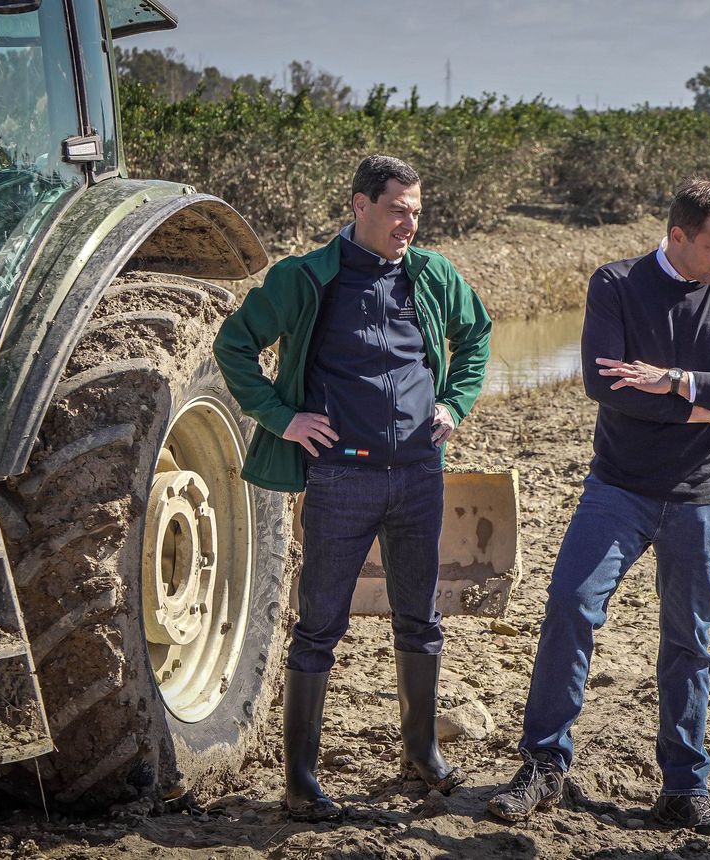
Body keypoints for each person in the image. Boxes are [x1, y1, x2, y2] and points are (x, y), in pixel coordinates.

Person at [486, 179, 710, 837]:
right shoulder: (616, 283)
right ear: (677, 236)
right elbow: (606, 383)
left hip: (704, 496)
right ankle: (544, 766)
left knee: (689, 641)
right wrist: (707, 408)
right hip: (618, 488)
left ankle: (684, 788)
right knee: (570, 603)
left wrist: (677, 382)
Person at [213, 155, 492, 821]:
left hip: (420, 475)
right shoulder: (306, 276)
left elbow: (475, 336)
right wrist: (283, 418)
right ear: (360, 205)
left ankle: (420, 754)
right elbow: (235, 344)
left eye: (417, 211)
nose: (409, 223)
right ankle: (302, 782)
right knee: (319, 628)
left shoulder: (431, 274)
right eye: (398, 209)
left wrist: (455, 402)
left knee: (420, 619)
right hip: (341, 479)